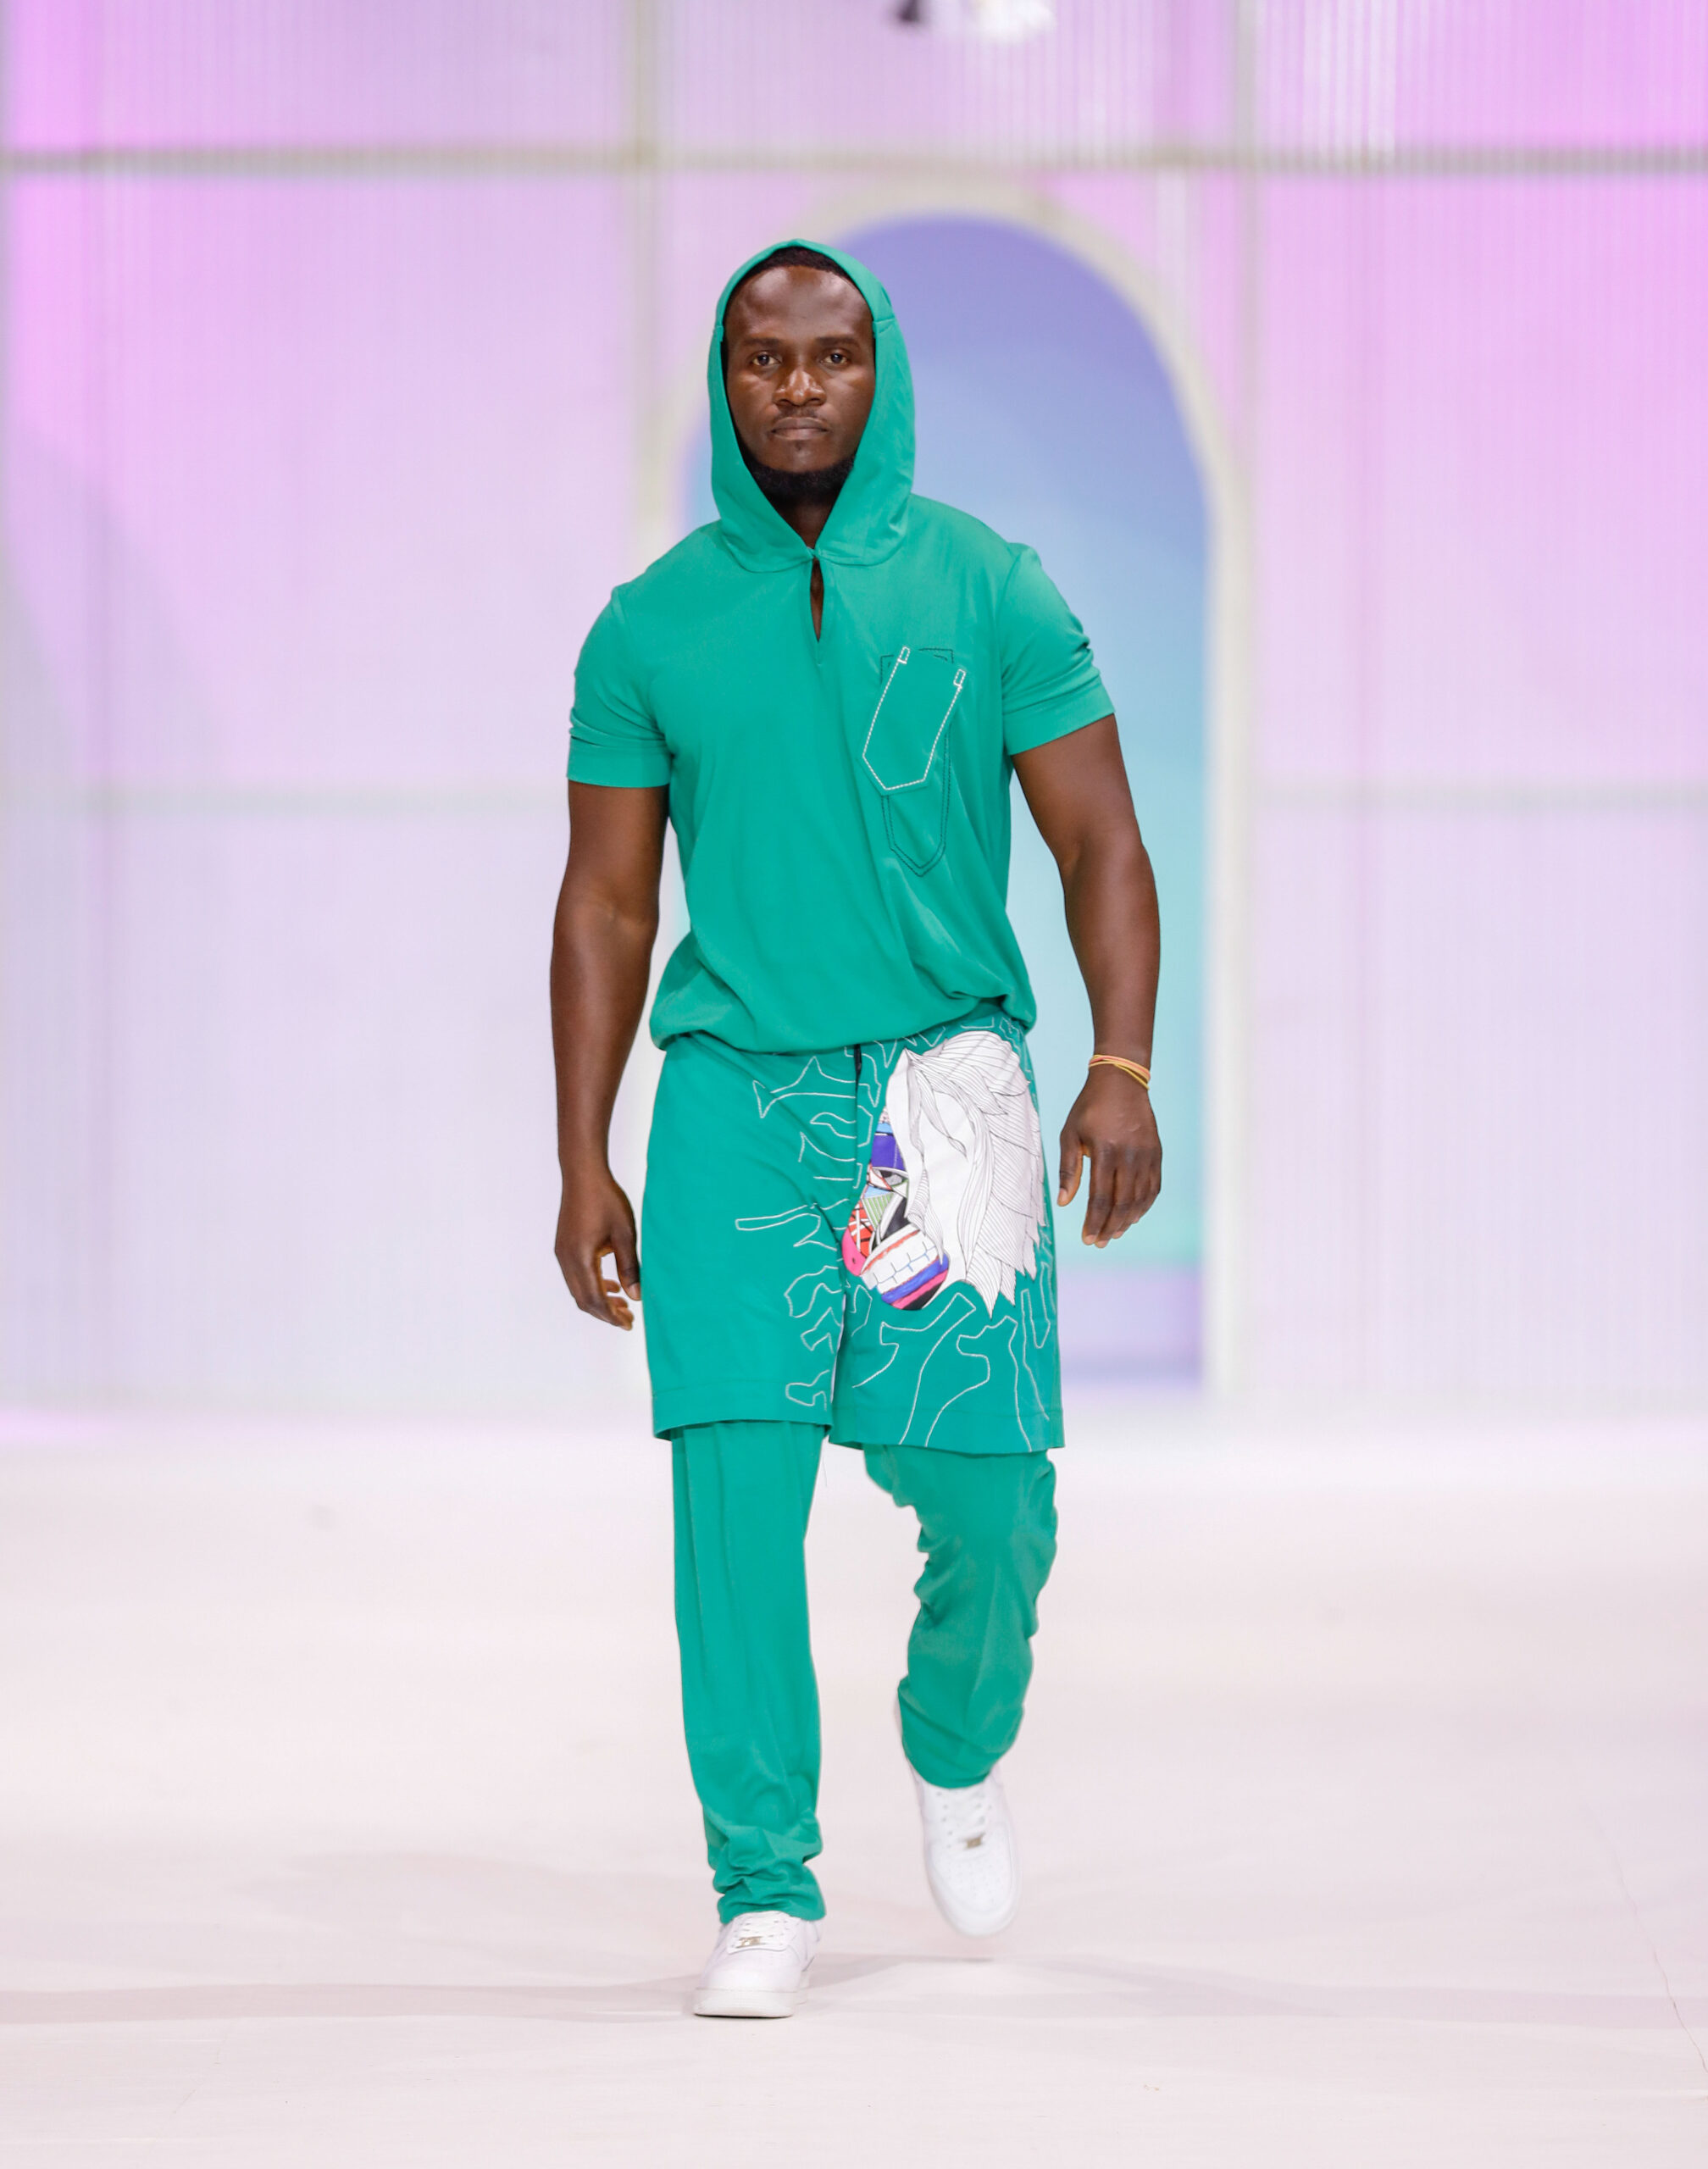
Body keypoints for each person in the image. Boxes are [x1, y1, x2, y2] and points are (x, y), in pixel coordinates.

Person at [552, 240, 1161, 2019]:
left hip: (940, 1094)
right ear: (725, 378)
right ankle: (764, 1885)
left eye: (831, 355)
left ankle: (954, 1736)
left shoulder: (990, 587)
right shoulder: (651, 623)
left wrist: (1121, 1065)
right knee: (731, 1505)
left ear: (880, 371)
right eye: (764, 358)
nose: (798, 387)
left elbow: (1100, 841)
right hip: (735, 1100)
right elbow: (605, 905)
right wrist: (583, 1150)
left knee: (994, 1498)